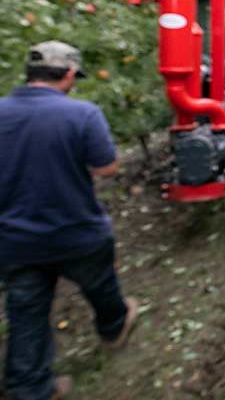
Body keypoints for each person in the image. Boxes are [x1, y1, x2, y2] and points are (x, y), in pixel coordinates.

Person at [0, 41, 139, 400]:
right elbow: (106, 167)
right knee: (101, 285)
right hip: (76, 231)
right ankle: (112, 327)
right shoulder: (82, 114)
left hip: (16, 238)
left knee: (26, 312)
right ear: (69, 74)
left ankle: (30, 389)